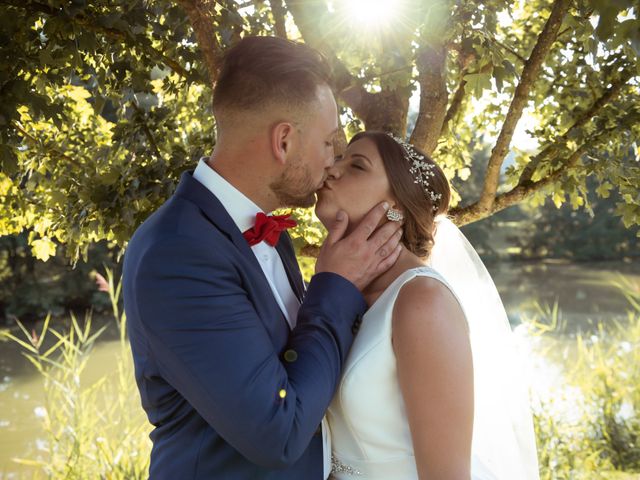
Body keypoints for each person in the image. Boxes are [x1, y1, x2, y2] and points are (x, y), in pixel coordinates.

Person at [122, 37, 403, 480]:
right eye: (329, 143)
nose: (332, 163)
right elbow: (279, 434)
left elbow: (300, 365)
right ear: (285, 141)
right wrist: (335, 285)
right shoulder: (177, 254)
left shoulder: (268, 234)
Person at [315, 131, 540, 479]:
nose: (332, 169)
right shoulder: (340, 292)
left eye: (357, 165)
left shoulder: (422, 301)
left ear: (397, 207)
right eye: (339, 158)